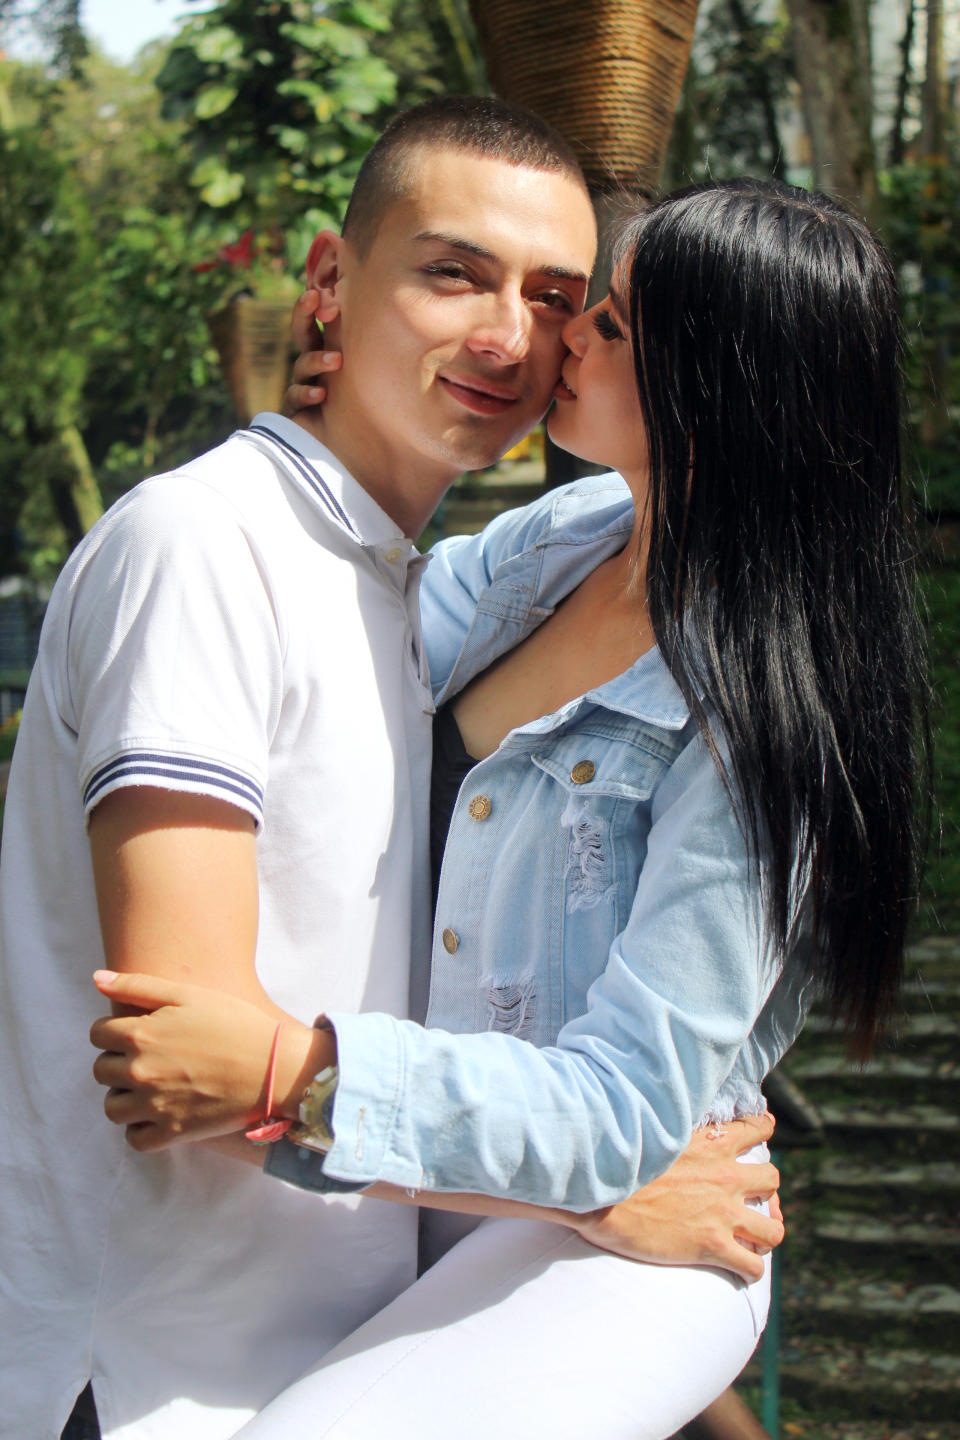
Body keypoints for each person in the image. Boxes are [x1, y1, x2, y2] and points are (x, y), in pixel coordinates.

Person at [89, 173, 929, 1440]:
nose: (567, 334)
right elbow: (340, 641)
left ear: (718, 392)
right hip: (452, 1199)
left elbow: (625, 1111)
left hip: (638, 1230)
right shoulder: (565, 538)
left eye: (613, 322)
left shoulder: (761, 723)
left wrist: (295, 1079)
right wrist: (343, 430)